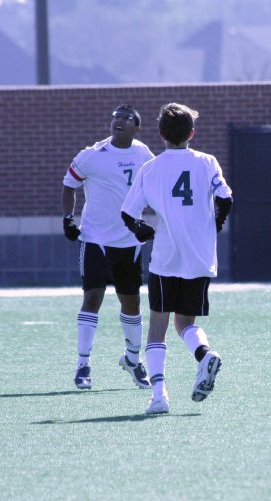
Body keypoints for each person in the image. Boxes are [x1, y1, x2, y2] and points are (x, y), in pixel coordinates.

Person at [120, 103, 233, 415]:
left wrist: (141, 230)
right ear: (192, 133)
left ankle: (159, 396)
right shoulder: (207, 162)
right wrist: (217, 223)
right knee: (185, 323)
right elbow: (226, 198)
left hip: (166, 258)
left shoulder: (151, 169)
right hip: (199, 257)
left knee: (158, 327)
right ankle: (204, 353)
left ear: (160, 134)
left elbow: (128, 213)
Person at [61, 104, 155, 391]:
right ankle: (82, 364)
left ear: (137, 128)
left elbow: (154, 187)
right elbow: (69, 185)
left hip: (129, 242)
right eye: (117, 116)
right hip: (96, 240)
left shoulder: (143, 154)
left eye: (127, 118)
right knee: (93, 298)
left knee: (132, 303)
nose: (120, 121)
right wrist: (68, 219)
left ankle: (132, 360)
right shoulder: (92, 155)